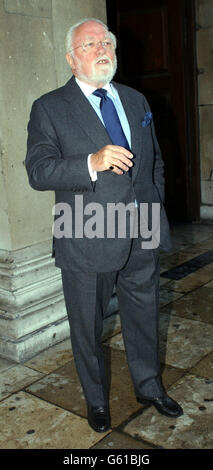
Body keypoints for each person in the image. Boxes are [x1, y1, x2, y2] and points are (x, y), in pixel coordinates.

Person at [26, 18, 183, 433]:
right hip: (86, 233)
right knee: (87, 326)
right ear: (71, 59)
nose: (102, 49)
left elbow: (154, 165)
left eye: (107, 42)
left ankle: (149, 386)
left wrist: (154, 207)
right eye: (90, 43)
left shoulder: (135, 100)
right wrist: (90, 164)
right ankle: (96, 401)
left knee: (144, 313)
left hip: (141, 230)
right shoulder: (50, 107)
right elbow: (38, 171)